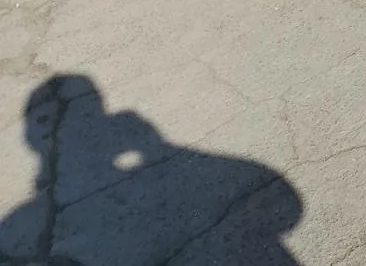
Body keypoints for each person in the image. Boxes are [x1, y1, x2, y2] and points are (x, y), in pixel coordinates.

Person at [0, 75, 303, 265]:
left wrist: (157, 148)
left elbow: (286, 207)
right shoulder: (21, 221)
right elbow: (288, 207)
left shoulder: (19, 221)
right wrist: (158, 147)